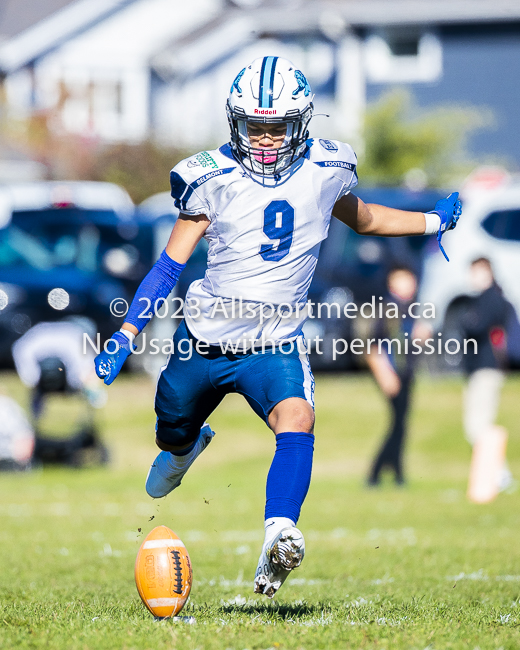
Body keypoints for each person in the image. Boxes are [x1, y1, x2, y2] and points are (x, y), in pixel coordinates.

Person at [94, 56, 461, 598]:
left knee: (299, 419)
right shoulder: (211, 178)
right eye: (254, 128)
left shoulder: (326, 169)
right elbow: (169, 265)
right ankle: (185, 447)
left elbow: (365, 217)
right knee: (169, 431)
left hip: (275, 341)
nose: (265, 141)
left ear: (302, 123)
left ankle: (279, 534)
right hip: (205, 340)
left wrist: (433, 220)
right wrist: (126, 334)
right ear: (236, 124)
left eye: (277, 128)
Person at [460, 257, 516, 496]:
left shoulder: (490, 299)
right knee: (477, 425)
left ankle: (500, 473)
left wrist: (466, 320)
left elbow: (477, 326)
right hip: (481, 369)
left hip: (487, 367)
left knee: (478, 426)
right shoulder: (485, 299)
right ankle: (499, 472)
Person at [366, 266, 419, 486]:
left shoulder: (410, 308)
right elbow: (372, 345)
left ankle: (396, 473)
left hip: (406, 375)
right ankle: (376, 473)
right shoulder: (387, 308)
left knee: (401, 425)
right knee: (397, 425)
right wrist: (385, 374)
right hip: (392, 375)